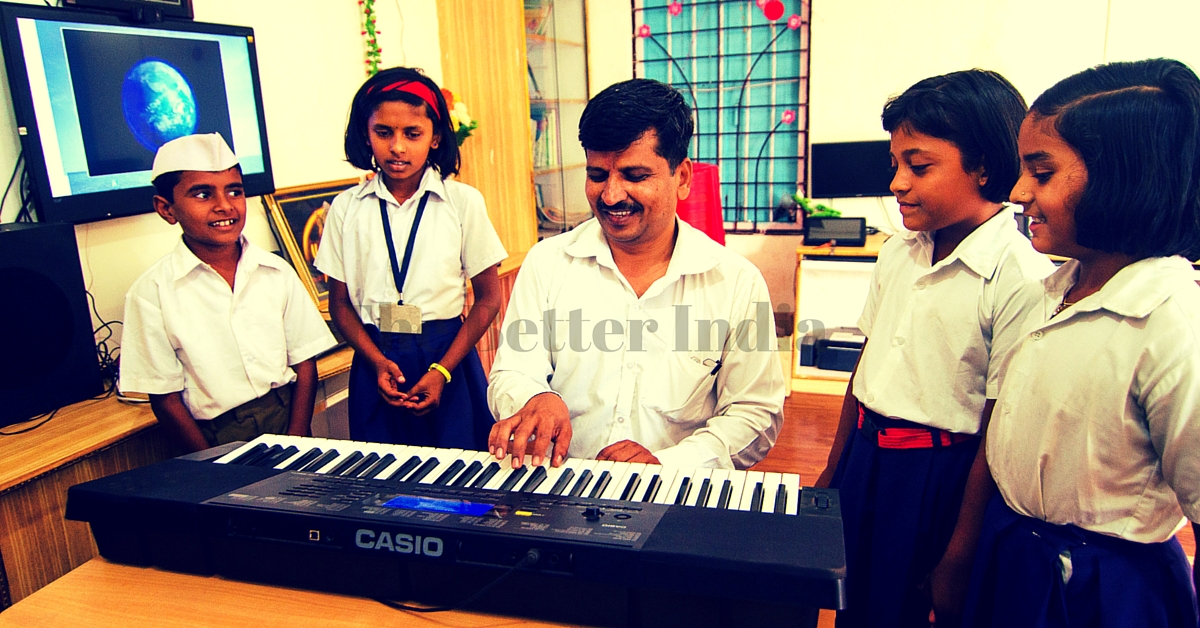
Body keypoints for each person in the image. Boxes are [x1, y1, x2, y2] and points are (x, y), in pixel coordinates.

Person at [960, 58, 1200, 628]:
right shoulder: (1056, 288)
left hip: (1099, 588)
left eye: (1041, 174)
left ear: (1127, 176)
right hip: (1015, 554)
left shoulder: (1171, 323)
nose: (1018, 192)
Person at [812, 70, 1055, 628]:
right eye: (894, 164)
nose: (897, 182)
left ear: (985, 168)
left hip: (939, 478)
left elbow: (1000, 424)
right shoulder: (898, 253)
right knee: (855, 602)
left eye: (919, 167)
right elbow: (865, 371)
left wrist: (961, 549)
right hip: (865, 459)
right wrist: (834, 467)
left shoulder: (1017, 275)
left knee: (907, 607)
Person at [486, 78, 785, 471]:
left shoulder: (733, 282)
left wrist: (672, 463)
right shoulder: (548, 263)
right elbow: (513, 371)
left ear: (682, 177)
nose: (611, 195)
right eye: (597, 175)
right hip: (560, 487)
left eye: (635, 176)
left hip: (678, 498)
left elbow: (754, 413)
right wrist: (533, 399)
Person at [316, 67, 506, 449]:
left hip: (447, 359)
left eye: (412, 134)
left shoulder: (462, 203)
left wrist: (441, 370)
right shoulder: (345, 209)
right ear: (365, 135)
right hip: (376, 359)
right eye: (383, 132)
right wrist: (375, 361)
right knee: (384, 485)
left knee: (463, 485)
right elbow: (339, 305)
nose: (397, 147)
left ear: (435, 137)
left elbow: (489, 299)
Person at [120, 133, 337, 453]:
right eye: (203, 194)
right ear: (167, 209)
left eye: (234, 191)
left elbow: (305, 363)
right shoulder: (151, 294)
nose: (224, 206)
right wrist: (211, 463)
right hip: (212, 436)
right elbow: (165, 400)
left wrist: (297, 435)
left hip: (286, 417)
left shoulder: (276, 273)